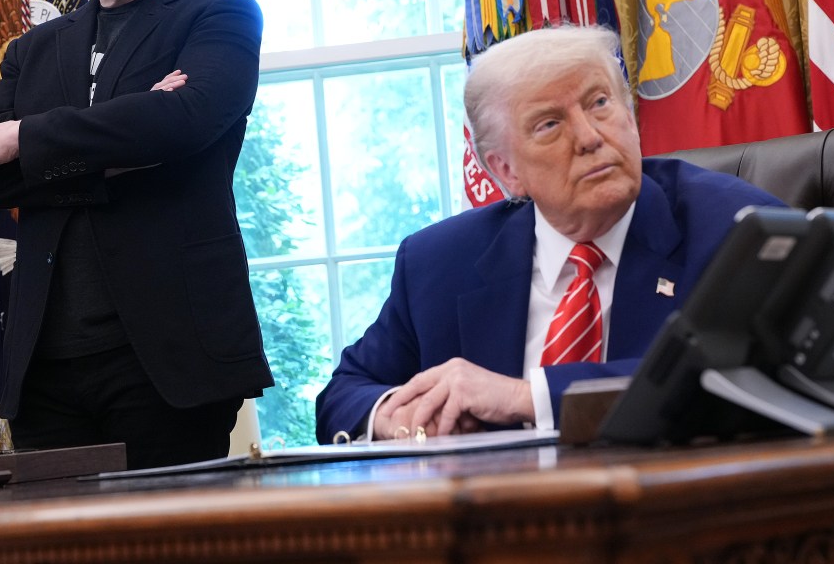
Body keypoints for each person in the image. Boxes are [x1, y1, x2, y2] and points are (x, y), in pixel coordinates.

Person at [0, 0, 272, 469]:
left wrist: (27, 137)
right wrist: (126, 140)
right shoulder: (29, 53)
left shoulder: (220, 14)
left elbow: (185, 120)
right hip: (47, 364)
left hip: (170, 355)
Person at [315, 25, 783, 443]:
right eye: (550, 124)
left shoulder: (737, 227)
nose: (589, 136)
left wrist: (527, 397)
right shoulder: (438, 262)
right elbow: (346, 393)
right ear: (505, 170)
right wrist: (401, 417)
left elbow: (750, 376)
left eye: (599, 103)